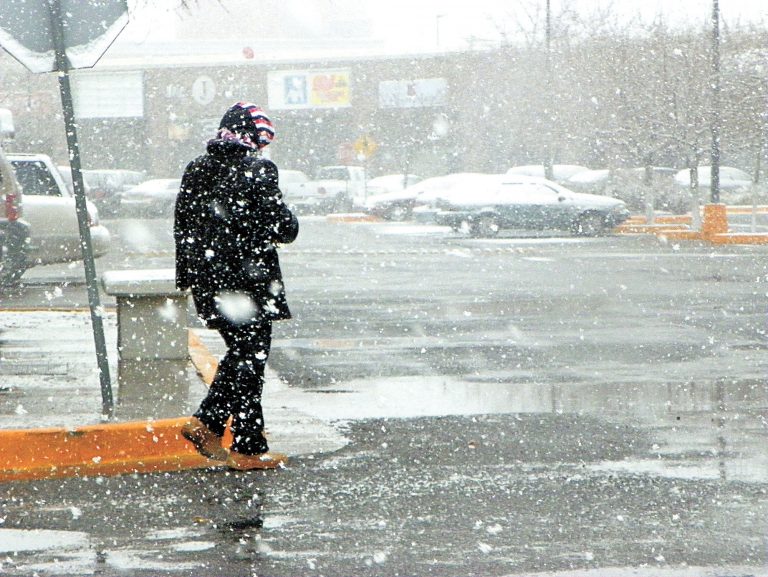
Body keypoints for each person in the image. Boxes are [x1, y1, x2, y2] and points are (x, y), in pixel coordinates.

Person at [174, 102, 299, 470]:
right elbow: (284, 229)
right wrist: (287, 215)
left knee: (244, 359)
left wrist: (191, 279)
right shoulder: (258, 169)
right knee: (249, 358)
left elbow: (183, 228)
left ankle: (245, 443)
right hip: (249, 283)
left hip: (208, 281)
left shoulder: (196, 168)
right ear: (254, 139)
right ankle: (214, 426)